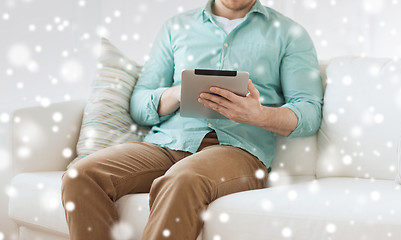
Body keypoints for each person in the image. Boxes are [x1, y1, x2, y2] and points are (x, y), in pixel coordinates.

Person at [61, 0, 323, 239]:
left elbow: (309, 111)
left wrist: (259, 114)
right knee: (81, 175)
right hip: (167, 143)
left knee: (181, 179)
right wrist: (176, 93)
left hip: (238, 150)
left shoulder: (289, 33)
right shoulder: (176, 27)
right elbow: (139, 105)